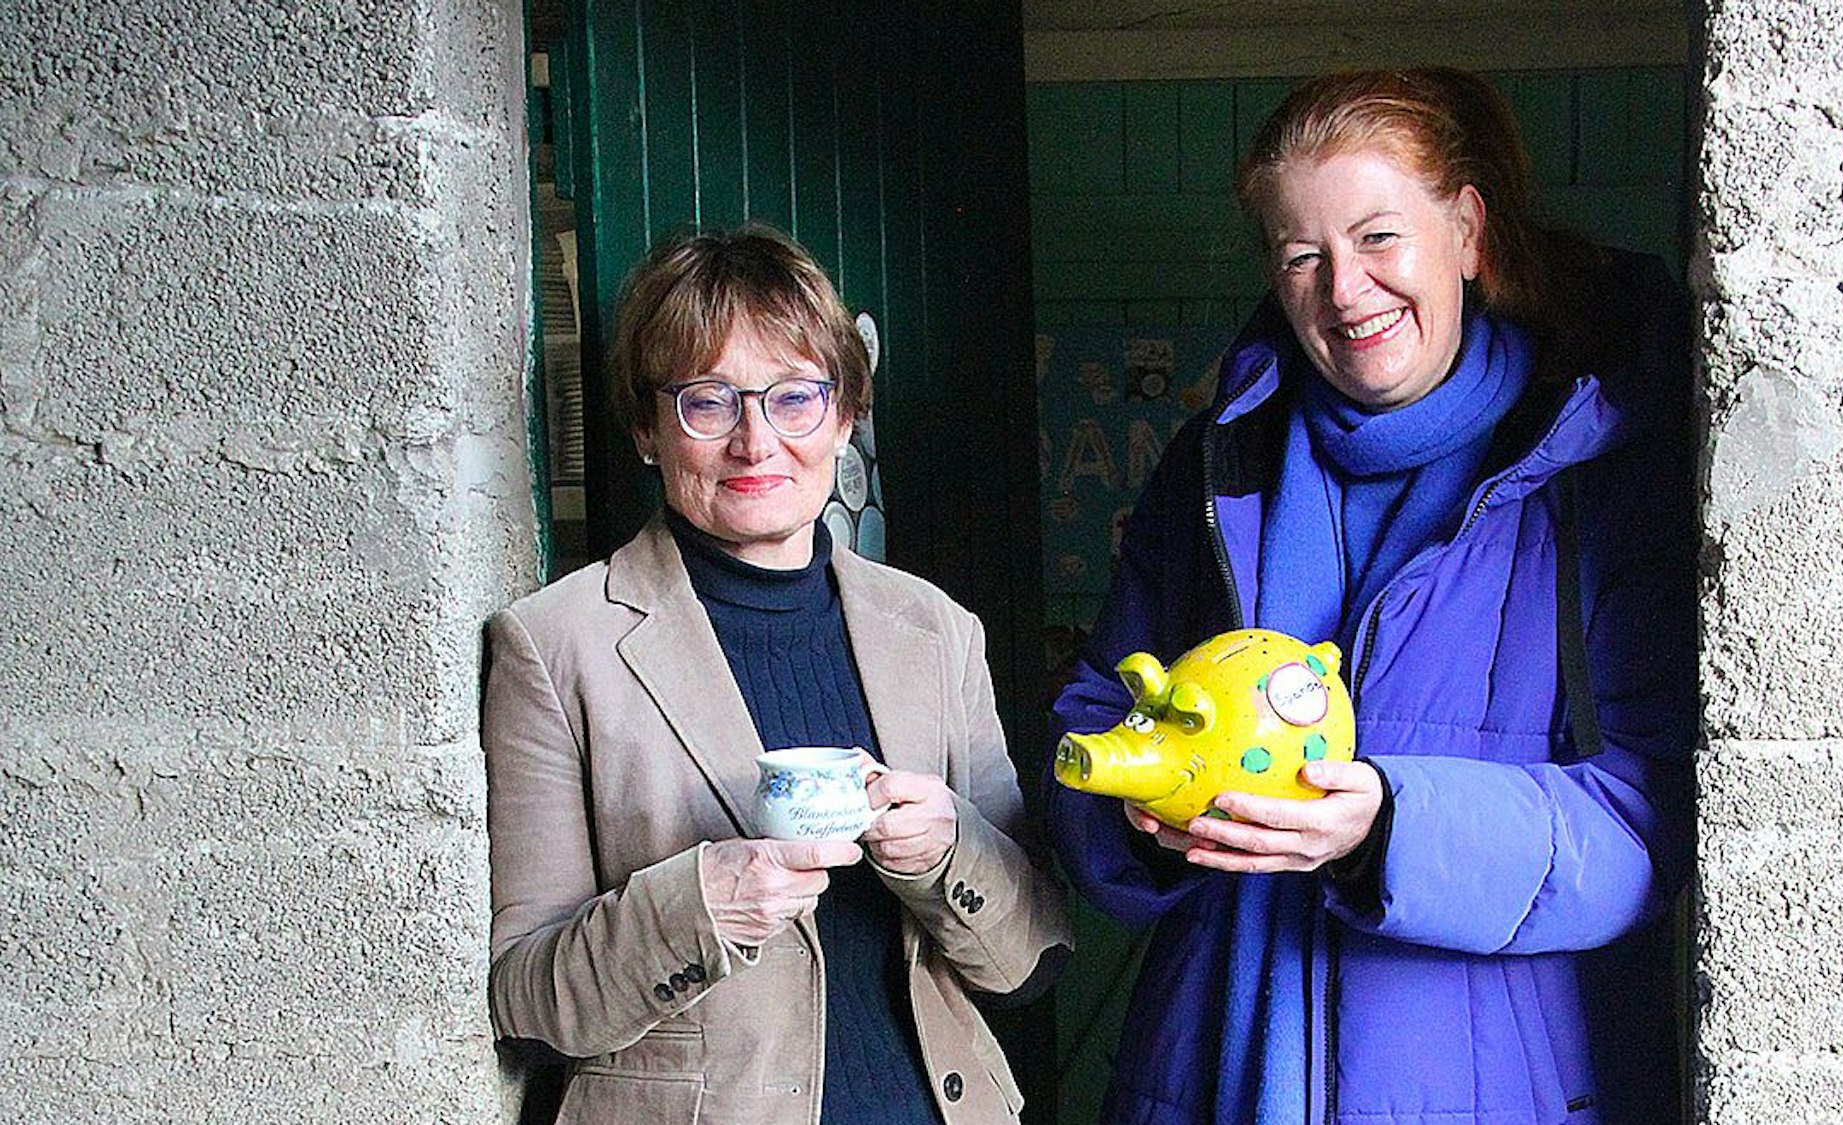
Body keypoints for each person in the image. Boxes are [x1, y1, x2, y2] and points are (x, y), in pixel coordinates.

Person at [1047, 68, 1695, 1124]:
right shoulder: (1218, 464)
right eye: (1300, 255)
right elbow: (1094, 712)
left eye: (1378, 238)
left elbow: (1647, 820)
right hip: (1213, 1073)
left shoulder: (1595, 475)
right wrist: (1137, 806)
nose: (1344, 289)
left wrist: (1390, 829)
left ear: (1467, 231)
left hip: (1489, 1086)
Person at [484, 222, 1072, 1125]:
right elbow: (527, 999)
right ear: (647, 429)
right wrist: (701, 906)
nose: (756, 442)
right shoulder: (558, 645)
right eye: (708, 401)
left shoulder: (935, 631)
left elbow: (1030, 958)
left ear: (844, 416)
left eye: (794, 397)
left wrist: (948, 850)